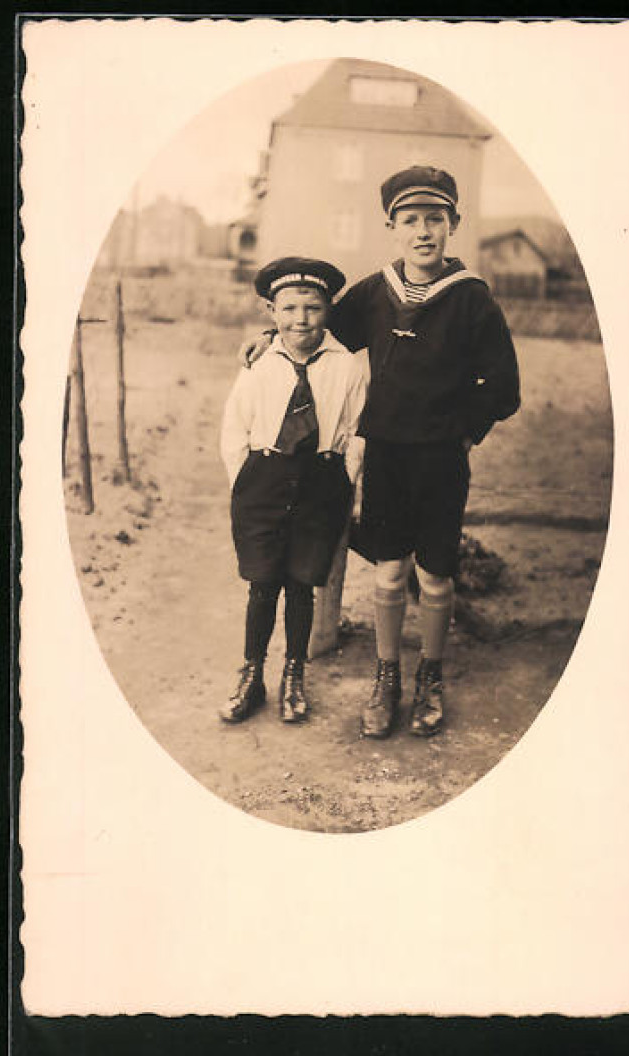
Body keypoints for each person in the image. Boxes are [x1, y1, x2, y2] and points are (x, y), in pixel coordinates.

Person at [241, 166, 520, 740]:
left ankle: (430, 676)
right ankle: (387, 675)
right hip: (387, 455)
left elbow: (504, 385)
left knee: (436, 577)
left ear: (454, 225)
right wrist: (270, 338)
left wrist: (465, 431)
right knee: (389, 575)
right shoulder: (374, 291)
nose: (423, 232)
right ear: (391, 226)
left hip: (442, 460)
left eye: (435, 220)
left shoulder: (471, 299)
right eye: (411, 220)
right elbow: (319, 330)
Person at [220, 256, 367, 726]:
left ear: (328, 311)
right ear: (271, 310)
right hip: (263, 480)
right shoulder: (259, 364)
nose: (300, 319)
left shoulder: (347, 367)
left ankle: (294, 673)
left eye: (312, 308)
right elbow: (235, 427)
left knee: (302, 585)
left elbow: (357, 429)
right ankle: (251, 675)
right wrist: (245, 482)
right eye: (289, 309)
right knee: (262, 584)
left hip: (321, 483)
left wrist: (344, 480)